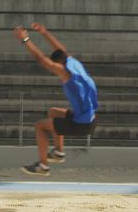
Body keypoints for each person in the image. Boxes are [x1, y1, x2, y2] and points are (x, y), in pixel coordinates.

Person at [13, 22, 98, 177]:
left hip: (82, 124)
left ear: (59, 64)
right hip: (91, 118)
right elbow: (61, 49)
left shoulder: (65, 72)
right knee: (53, 112)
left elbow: (42, 60)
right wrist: (44, 33)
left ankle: (43, 165)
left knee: (40, 126)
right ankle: (58, 152)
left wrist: (25, 39)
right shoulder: (74, 63)